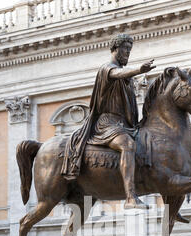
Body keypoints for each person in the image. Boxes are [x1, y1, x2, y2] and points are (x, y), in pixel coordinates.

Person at [61, 33, 156, 209]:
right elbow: (118, 73)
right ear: (115, 49)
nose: (128, 53)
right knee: (127, 145)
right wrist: (138, 70)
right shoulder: (108, 68)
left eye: (130, 49)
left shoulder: (125, 78)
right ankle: (130, 197)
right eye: (125, 49)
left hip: (124, 125)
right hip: (108, 124)